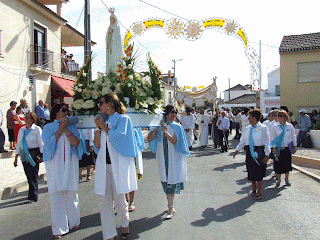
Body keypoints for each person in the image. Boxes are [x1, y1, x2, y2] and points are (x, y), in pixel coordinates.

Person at [94, 94, 138, 240]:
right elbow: (98, 145)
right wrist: (98, 129)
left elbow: (119, 137)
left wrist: (104, 127)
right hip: (103, 165)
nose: (99, 106)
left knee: (120, 200)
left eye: (101, 103)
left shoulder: (123, 119)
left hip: (118, 166)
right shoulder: (104, 122)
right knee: (104, 203)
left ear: (110, 104)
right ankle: (109, 234)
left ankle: (124, 226)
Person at [42, 103, 83, 239]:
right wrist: (59, 130)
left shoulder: (72, 127)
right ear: (56, 112)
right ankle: (59, 228)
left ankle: (74, 222)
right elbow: (48, 144)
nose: (66, 113)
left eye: (67, 111)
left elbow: (76, 143)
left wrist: (66, 129)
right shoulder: (48, 127)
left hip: (70, 163)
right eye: (64, 110)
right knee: (56, 195)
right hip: (55, 164)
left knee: (72, 192)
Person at [148, 105, 189, 220]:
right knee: (166, 181)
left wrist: (165, 131)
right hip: (162, 157)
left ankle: (170, 207)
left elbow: (174, 140)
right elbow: (150, 138)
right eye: (171, 112)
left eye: (175, 112)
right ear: (166, 114)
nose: (173, 114)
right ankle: (170, 206)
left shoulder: (177, 126)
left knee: (171, 180)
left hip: (173, 158)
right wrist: (157, 128)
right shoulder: (158, 125)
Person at [233, 109, 270, 200]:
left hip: (259, 151)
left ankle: (259, 191)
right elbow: (243, 141)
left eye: (250, 118)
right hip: (249, 151)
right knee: (251, 171)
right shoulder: (247, 128)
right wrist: (237, 150)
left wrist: (267, 155)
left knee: (259, 172)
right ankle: (253, 188)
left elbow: (266, 143)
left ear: (255, 118)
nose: (248, 119)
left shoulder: (263, 128)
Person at [14, 112, 43, 203]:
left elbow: (41, 143)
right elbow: (19, 143)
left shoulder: (37, 129)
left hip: (34, 153)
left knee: (33, 174)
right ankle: (32, 193)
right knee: (28, 174)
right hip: (24, 154)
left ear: (32, 119)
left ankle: (33, 195)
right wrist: (16, 156)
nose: (25, 119)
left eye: (27, 118)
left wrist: (42, 155)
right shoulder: (22, 130)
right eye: (25, 118)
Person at [270, 110, 297, 187]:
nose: (280, 118)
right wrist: (274, 148)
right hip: (278, 148)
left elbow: (293, 136)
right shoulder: (275, 126)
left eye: (281, 116)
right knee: (278, 164)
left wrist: (295, 146)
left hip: (287, 147)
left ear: (285, 117)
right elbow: (273, 138)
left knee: (287, 164)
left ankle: (287, 179)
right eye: (279, 116)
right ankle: (278, 180)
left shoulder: (290, 126)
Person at [126, 127, 145, 212]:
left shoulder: (136, 127)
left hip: (133, 156)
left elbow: (139, 142)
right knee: (122, 178)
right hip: (122, 155)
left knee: (132, 179)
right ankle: (125, 199)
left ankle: (131, 202)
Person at [106, 8, 123, 73]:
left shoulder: (117, 27)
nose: (111, 19)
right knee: (111, 58)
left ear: (115, 19)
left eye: (112, 18)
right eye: (110, 18)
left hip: (115, 46)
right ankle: (111, 71)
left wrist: (112, 32)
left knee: (116, 58)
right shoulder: (109, 27)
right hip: (111, 45)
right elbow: (107, 37)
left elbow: (117, 37)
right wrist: (109, 33)